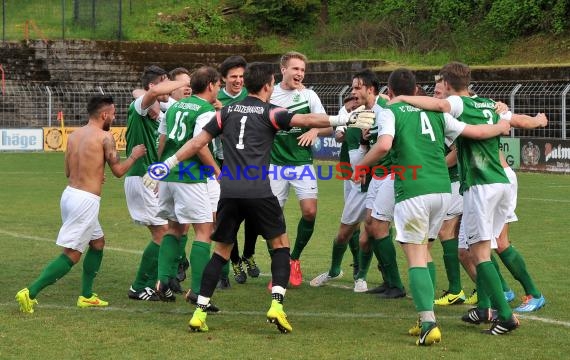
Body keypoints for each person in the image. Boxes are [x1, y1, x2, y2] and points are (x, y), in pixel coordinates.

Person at [142, 62, 374, 333]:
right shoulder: (270, 112)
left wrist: (166, 164)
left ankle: (199, 312)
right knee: (280, 246)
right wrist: (343, 119)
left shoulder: (225, 111)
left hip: (229, 190)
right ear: (268, 86)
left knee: (220, 253)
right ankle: (276, 305)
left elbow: (196, 143)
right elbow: (306, 120)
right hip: (260, 191)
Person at [390, 61, 547, 335]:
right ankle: (487, 306)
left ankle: (509, 312)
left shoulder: (459, 105)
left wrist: (400, 98)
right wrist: (539, 120)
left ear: (448, 86)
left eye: (440, 90)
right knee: (474, 248)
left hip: (482, 184)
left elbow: (442, 109)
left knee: (483, 250)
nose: (437, 97)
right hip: (499, 180)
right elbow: (513, 120)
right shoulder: (487, 103)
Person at [358, 68, 510, 345]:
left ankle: (429, 322)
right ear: (417, 89)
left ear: (390, 92)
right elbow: (474, 132)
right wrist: (501, 126)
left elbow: (383, 145)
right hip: (442, 190)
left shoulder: (392, 110)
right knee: (425, 251)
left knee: (415, 256)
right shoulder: (439, 114)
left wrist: (360, 165)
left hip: (413, 190)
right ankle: (423, 318)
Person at [15, 95, 146, 313]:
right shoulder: (106, 137)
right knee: (73, 253)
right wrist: (134, 156)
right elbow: (119, 172)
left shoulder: (74, 135)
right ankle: (30, 292)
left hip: (69, 194)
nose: (114, 117)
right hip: (85, 201)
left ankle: (86, 295)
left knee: (98, 243)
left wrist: (93, 173)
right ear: (104, 114)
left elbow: (68, 171)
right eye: (113, 114)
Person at [154, 66, 222, 306]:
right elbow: (199, 144)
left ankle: (162, 280)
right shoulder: (204, 110)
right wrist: (216, 170)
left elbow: (162, 139)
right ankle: (197, 292)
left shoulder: (175, 106)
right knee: (205, 231)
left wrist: (158, 170)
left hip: (169, 176)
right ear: (211, 85)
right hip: (190, 176)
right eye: (219, 85)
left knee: (175, 228)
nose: (219, 89)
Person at [125, 65, 190, 301]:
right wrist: (182, 83)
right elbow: (141, 94)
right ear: (153, 86)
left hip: (152, 178)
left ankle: (161, 281)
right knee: (162, 234)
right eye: (166, 82)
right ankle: (139, 286)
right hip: (140, 176)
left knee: (173, 229)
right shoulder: (140, 107)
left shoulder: (161, 112)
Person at [269, 51, 332, 286]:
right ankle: (280, 265)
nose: (299, 74)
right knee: (273, 217)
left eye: (302, 70)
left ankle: (294, 259)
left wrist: (315, 130)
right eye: (295, 69)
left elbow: (327, 125)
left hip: (302, 164)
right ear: (283, 69)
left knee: (310, 212)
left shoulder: (309, 95)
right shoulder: (269, 94)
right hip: (274, 164)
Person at [309, 94, 366, 290]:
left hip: (372, 174)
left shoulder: (377, 112)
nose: (355, 95)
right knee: (352, 223)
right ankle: (346, 269)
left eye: (359, 89)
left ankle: (367, 274)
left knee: (377, 225)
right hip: (349, 171)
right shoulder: (346, 110)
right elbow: (339, 136)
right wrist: (348, 122)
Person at [214, 55, 262, 289]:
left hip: (250, 165)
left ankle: (249, 254)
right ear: (223, 78)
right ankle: (233, 262)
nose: (238, 80)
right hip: (225, 164)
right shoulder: (215, 99)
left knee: (254, 215)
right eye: (233, 76)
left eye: (242, 76)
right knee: (230, 217)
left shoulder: (251, 96)